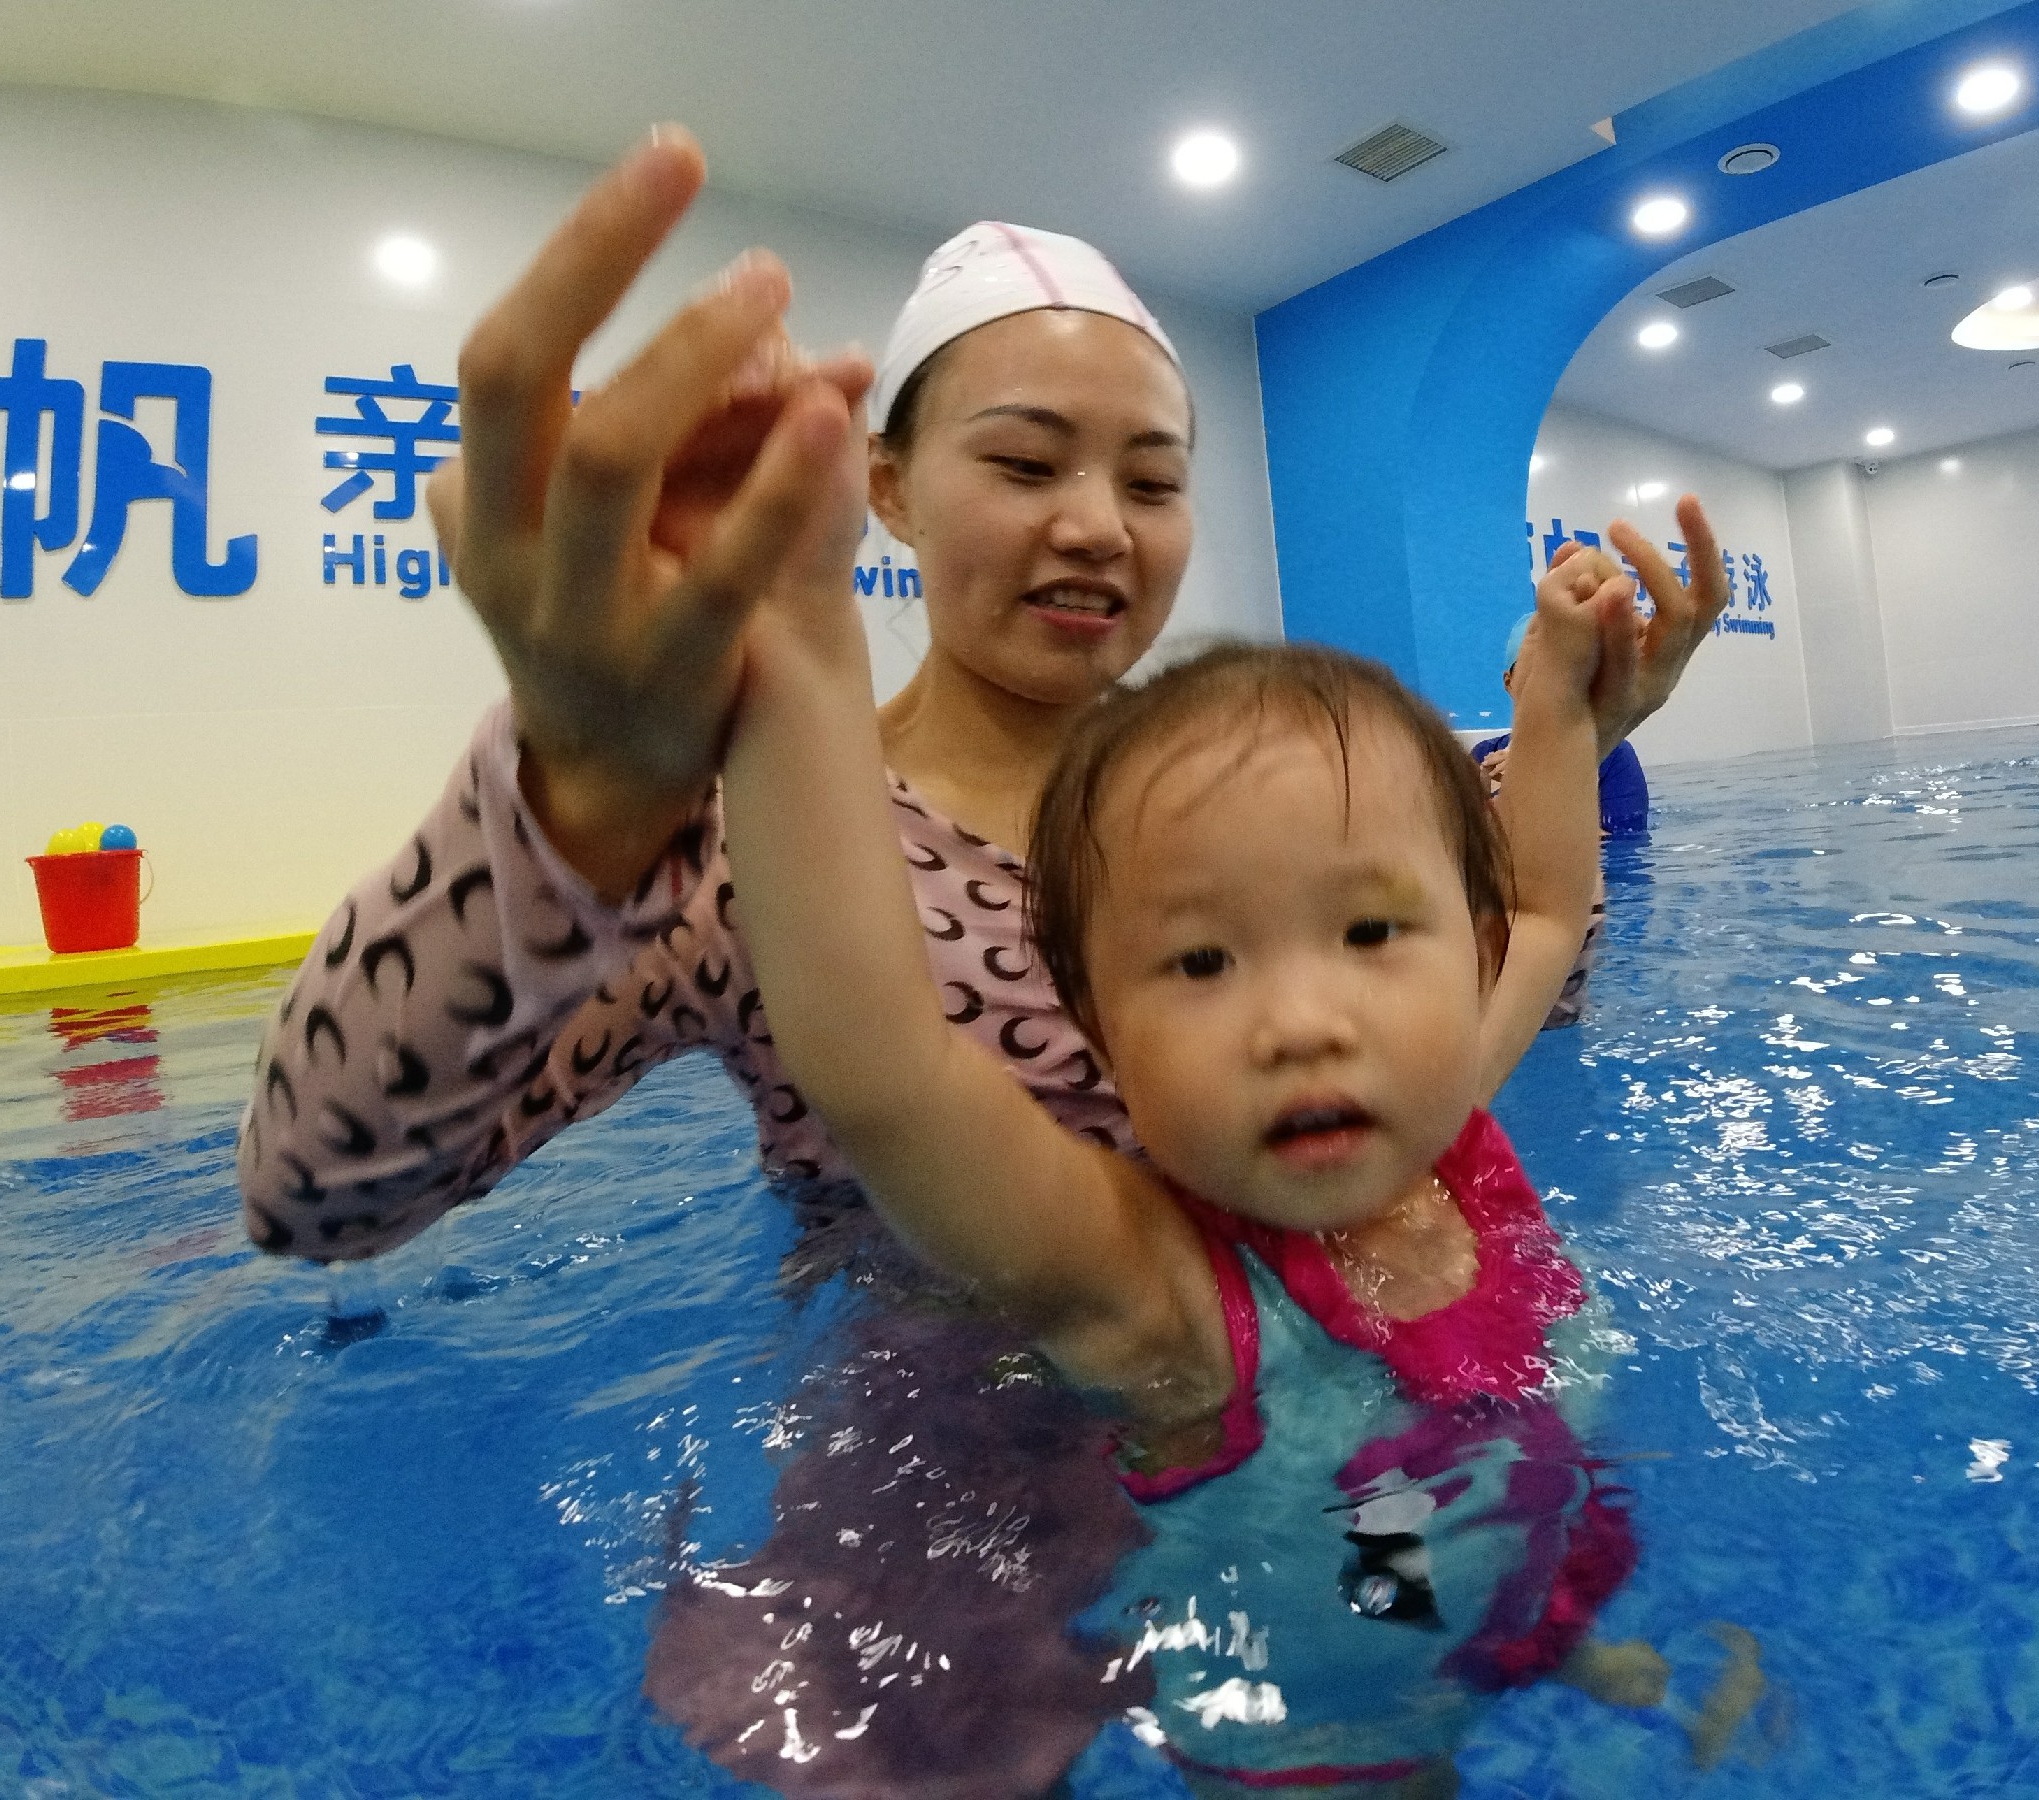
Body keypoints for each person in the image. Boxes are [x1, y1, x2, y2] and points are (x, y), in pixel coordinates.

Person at [234, 126, 1730, 1260]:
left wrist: (1583, 727)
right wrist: (586, 793)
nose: (1095, 525)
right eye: (1022, 464)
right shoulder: (764, 851)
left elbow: (1523, 980)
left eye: (1151, 481)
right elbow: (322, 1195)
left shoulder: (1271, 794)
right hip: (952, 1475)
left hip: (1340, 1410)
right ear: (887, 488)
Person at [713, 416, 1651, 1796]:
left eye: (1370, 931)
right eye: (1202, 962)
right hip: (1330, 1737)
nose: (1303, 1020)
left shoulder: (1439, 1114)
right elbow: (885, 1078)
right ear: (1098, 1030)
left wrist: (1559, 695)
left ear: (1470, 953)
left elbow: (1547, 904)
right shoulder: (1157, 1291)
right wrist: (790, 649)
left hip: (1506, 1572)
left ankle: (1546, 1644)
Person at [1472, 612, 1651, 839]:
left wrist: (1540, 789)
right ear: (1509, 683)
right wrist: (1477, 804)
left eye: (1565, 669)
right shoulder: (1483, 755)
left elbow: (1624, 846)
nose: (1549, 683)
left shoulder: (1613, 755)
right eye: (1535, 669)